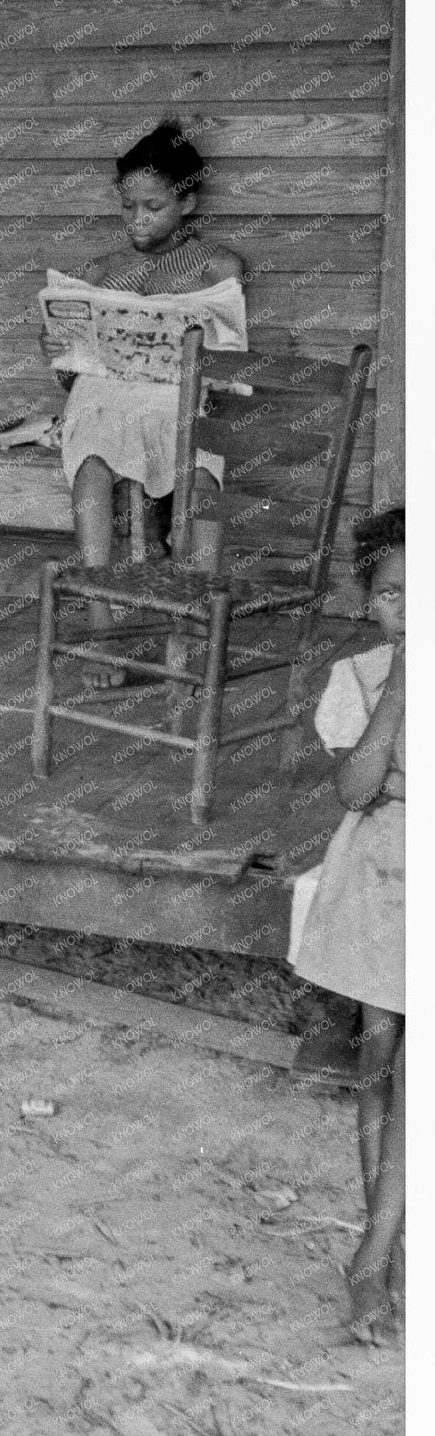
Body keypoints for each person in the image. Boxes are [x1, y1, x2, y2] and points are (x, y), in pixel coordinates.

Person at [37, 120, 246, 687]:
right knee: (92, 459)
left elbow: (231, 358)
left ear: (188, 200)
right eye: (128, 207)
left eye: (152, 206)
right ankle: (101, 619)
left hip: (181, 400)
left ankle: (200, 622)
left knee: (203, 472)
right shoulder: (103, 271)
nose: (137, 219)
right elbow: (71, 375)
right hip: (109, 401)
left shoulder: (217, 267)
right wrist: (59, 349)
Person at [287, 507, 405, 1343]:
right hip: (378, 876)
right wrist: (406, 675)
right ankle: (383, 1236)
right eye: (396, 595)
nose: (413, 608)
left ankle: (373, 1253)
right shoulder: (358, 677)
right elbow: (359, 789)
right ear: (372, 603)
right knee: (377, 1055)